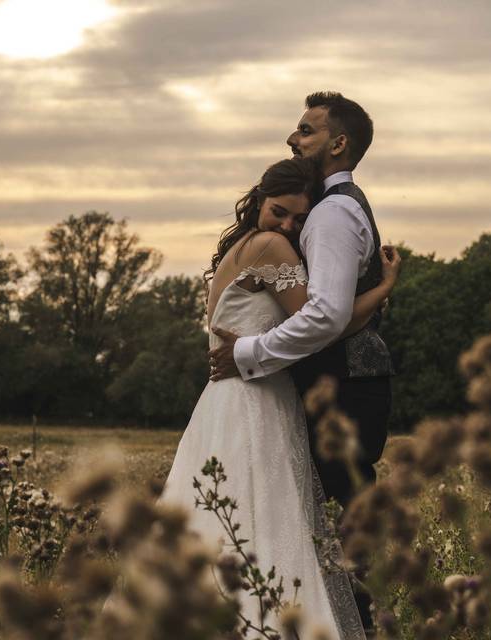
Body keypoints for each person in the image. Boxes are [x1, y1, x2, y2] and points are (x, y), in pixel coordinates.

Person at [159, 156, 400, 640]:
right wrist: (384, 288)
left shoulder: (237, 249)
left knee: (225, 517)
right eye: (279, 211)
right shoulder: (271, 247)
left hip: (221, 402)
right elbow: (327, 325)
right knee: (265, 519)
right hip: (257, 401)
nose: (288, 224)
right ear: (258, 202)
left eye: (298, 218)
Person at [208, 92, 393, 632]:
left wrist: (246, 353)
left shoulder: (332, 214)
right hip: (322, 385)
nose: (294, 138)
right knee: (317, 528)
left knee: (338, 533)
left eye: (306, 131)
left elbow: (326, 316)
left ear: (338, 144)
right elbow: (328, 314)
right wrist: (383, 289)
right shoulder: (330, 211)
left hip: (342, 387)